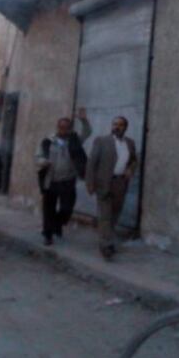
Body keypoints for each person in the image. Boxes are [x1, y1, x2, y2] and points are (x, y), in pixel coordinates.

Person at [36, 108, 92, 245]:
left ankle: (56, 224)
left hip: (68, 180)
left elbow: (88, 132)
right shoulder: (47, 141)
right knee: (48, 209)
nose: (63, 129)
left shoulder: (75, 140)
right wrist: (43, 162)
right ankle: (48, 235)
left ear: (70, 128)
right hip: (50, 180)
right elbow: (38, 156)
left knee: (67, 209)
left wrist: (84, 120)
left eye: (66, 127)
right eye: (61, 127)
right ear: (57, 127)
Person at [86, 116, 137, 260]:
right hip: (104, 183)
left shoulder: (130, 143)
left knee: (115, 214)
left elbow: (134, 160)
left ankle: (107, 237)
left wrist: (130, 169)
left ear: (125, 127)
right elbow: (92, 164)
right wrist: (90, 183)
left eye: (121, 125)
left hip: (121, 184)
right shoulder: (102, 141)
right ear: (111, 125)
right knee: (105, 215)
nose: (117, 127)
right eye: (115, 124)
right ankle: (106, 245)